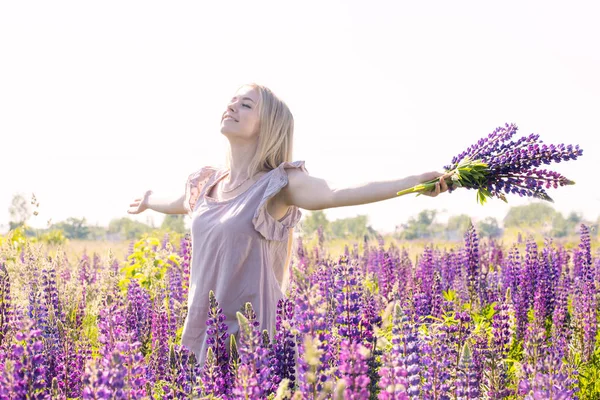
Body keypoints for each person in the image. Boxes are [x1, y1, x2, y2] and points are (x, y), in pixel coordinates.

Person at [127, 82, 450, 369]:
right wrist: (148, 198)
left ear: (268, 125)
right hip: (201, 332)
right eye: (232, 100)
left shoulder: (278, 185)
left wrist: (412, 182)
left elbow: (335, 192)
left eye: (246, 104)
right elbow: (174, 203)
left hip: (251, 342)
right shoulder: (207, 183)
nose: (232, 106)